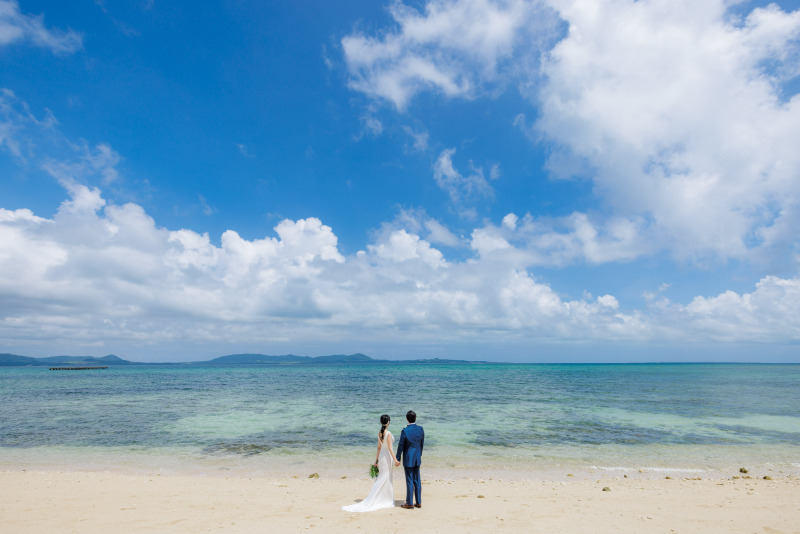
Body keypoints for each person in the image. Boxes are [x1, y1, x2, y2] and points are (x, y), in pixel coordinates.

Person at [342, 414, 399, 512]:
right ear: (388, 423)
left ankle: (381, 497)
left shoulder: (380, 433)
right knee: (386, 477)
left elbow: (379, 447)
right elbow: (390, 448)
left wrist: (376, 460)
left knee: (382, 477)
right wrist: (395, 460)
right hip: (386, 457)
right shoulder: (388, 433)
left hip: (381, 456)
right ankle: (386, 499)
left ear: (381, 422)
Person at [395, 410, 424, 509]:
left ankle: (410, 503)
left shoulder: (405, 431)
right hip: (417, 457)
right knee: (417, 480)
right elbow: (421, 444)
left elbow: (401, 446)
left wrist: (397, 458)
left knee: (410, 480)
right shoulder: (421, 429)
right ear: (415, 418)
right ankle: (419, 502)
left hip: (408, 458)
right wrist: (420, 454)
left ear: (407, 419)